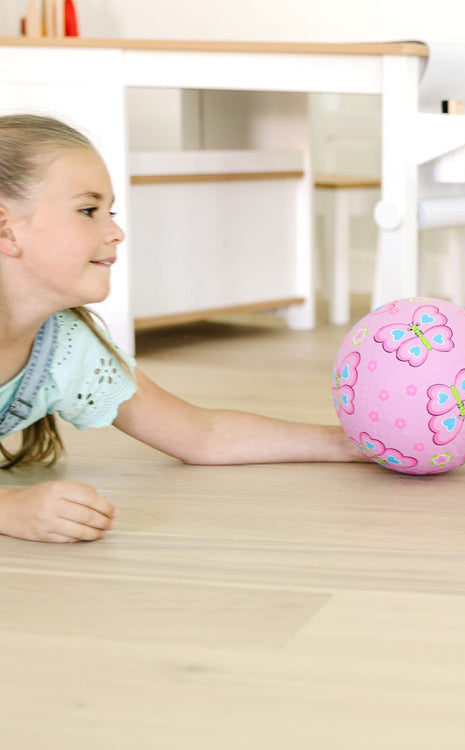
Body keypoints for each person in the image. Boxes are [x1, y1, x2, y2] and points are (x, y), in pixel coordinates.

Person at [0, 113, 363, 543]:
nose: (116, 231)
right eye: (88, 210)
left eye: (110, 211)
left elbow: (200, 435)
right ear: (6, 228)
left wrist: (348, 444)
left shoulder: (65, 347)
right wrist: (11, 510)